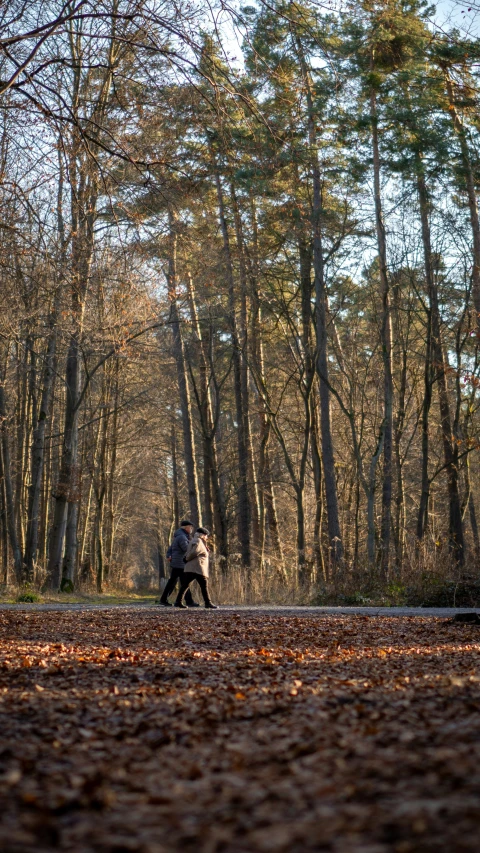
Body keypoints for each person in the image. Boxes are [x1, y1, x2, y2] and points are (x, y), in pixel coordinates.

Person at [174, 527, 218, 609]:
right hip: (197, 567)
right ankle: (208, 603)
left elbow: (192, 551)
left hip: (193, 567)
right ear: (202, 535)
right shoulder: (198, 541)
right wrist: (186, 558)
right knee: (203, 585)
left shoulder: (195, 540)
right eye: (206, 535)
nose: (207, 537)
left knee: (185, 585)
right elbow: (194, 552)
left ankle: (178, 601)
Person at [159, 520, 199, 607]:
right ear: (186, 528)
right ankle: (188, 601)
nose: (192, 529)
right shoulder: (182, 537)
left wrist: (169, 554)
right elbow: (185, 548)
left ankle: (164, 599)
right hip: (180, 563)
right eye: (190, 527)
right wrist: (196, 546)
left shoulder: (182, 536)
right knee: (184, 582)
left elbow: (171, 547)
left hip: (177, 562)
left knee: (175, 581)